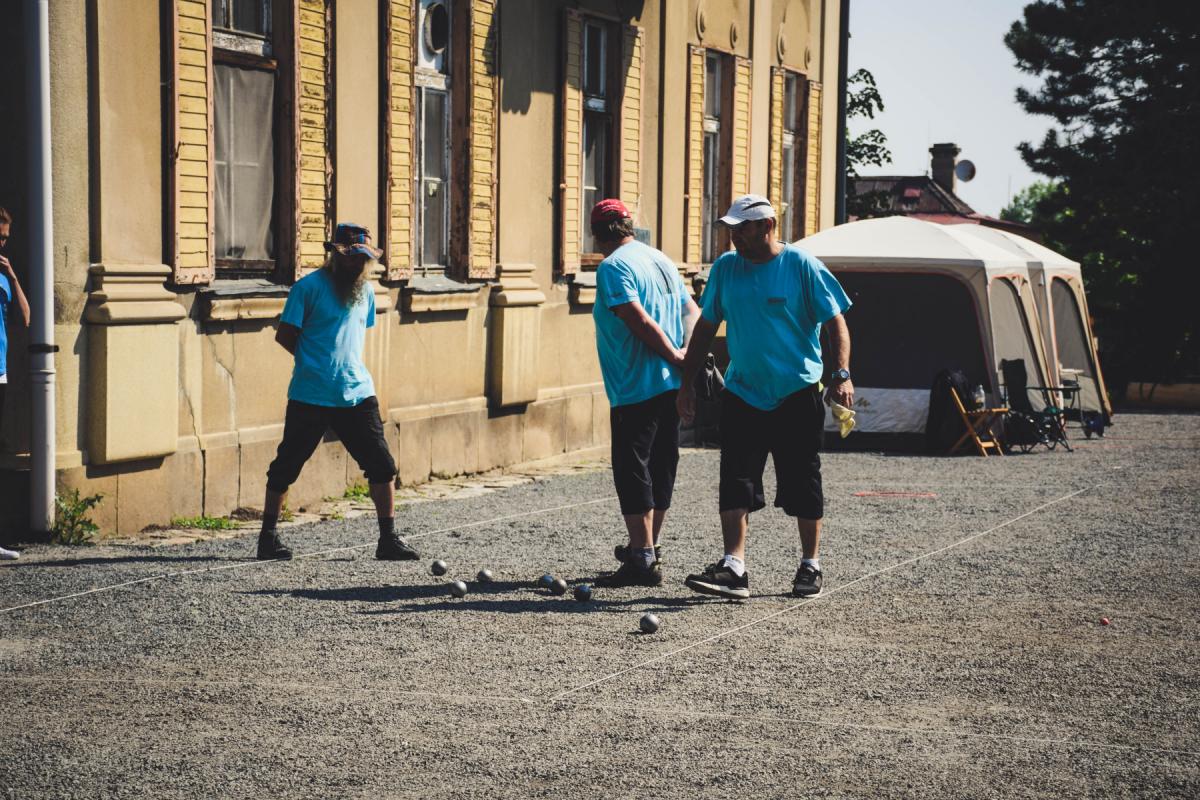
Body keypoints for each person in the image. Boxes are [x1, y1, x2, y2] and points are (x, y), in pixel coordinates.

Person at [677, 195, 853, 599]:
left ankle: (810, 565)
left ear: (768, 226)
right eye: (732, 229)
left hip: (796, 392)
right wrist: (686, 384)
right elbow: (705, 328)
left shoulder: (801, 265)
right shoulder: (726, 268)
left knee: (803, 479)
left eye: (743, 229)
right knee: (735, 479)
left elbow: (836, 323)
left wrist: (841, 374)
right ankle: (734, 567)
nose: (735, 237)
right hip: (743, 391)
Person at [256, 223, 416, 562]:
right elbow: (285, 335)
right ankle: (267, 538)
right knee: (286, 466)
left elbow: (352, 336)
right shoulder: (307, 288)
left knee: (383, 465)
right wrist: (313, 362)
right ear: (335, 255)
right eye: (350, 257)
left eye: (362, 258)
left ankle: (388, 539)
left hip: (356, 391)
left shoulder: (366, 292)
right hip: (310, 393)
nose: (356, 264)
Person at [589, 199, 700, 587]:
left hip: (635, 383)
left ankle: (641, 558)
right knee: (662, 464)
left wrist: (673, 354)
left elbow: (636, 318)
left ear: (597, 234)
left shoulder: (613, 267)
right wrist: (686, 355)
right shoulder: (661, 260)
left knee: (632, 467)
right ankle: (649, 547)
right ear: (630, 226)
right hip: (670, 383)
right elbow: (692, 312)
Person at [0, 207, 30, 560]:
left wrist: (13, 276)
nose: (2, 244)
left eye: (5, 238)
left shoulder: (5, 278)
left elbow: (25, 317)